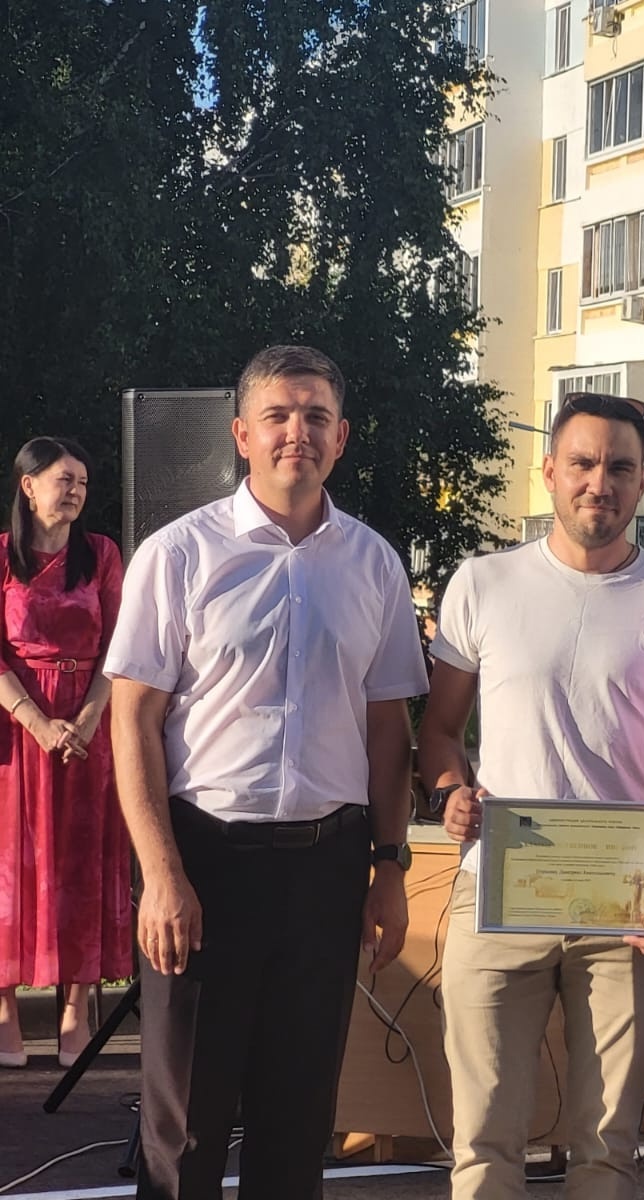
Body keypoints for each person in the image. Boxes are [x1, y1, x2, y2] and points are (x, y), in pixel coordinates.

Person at [104, 345, 429, 1199]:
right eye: (278, 416)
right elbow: (132, 722)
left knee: (298, 1119)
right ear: (242, 434)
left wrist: (389, 868)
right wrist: (161, 875)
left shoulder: (374, 564)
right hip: (206, 862)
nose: (298, 433)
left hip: (328, 869)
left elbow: (388, 730)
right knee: (185, 1126)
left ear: (342, 437)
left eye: (317, 416)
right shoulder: (178, 555)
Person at [418, 391, 644, 1200]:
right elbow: (438, 732)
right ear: (548, 470)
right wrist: (450, 792)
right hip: (498, 893)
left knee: (608, 1148)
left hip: (625, 907)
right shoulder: (482, 583)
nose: (600, 483)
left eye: (620, 467)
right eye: (583, 463)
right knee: (484, 1144)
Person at [0, 437, 130, 1069]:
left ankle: (76, 1008)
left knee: (82, 861)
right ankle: (4, 1008)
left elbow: (122, 645)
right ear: (28, 486)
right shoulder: (2, 556)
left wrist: (87, 716)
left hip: (87, 724)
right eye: (64, 479)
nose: (76, 490)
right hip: (14, 724)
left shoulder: (101, 554)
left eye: (82, 481)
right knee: (10, 865)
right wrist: (34, 720)